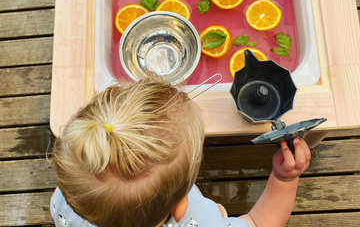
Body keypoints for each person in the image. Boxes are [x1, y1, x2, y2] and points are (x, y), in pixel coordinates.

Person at [50, 76, 311, 227]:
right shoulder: (195, 219)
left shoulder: (64, 204)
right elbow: (258, 222)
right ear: (179, 207)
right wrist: (284, 179)